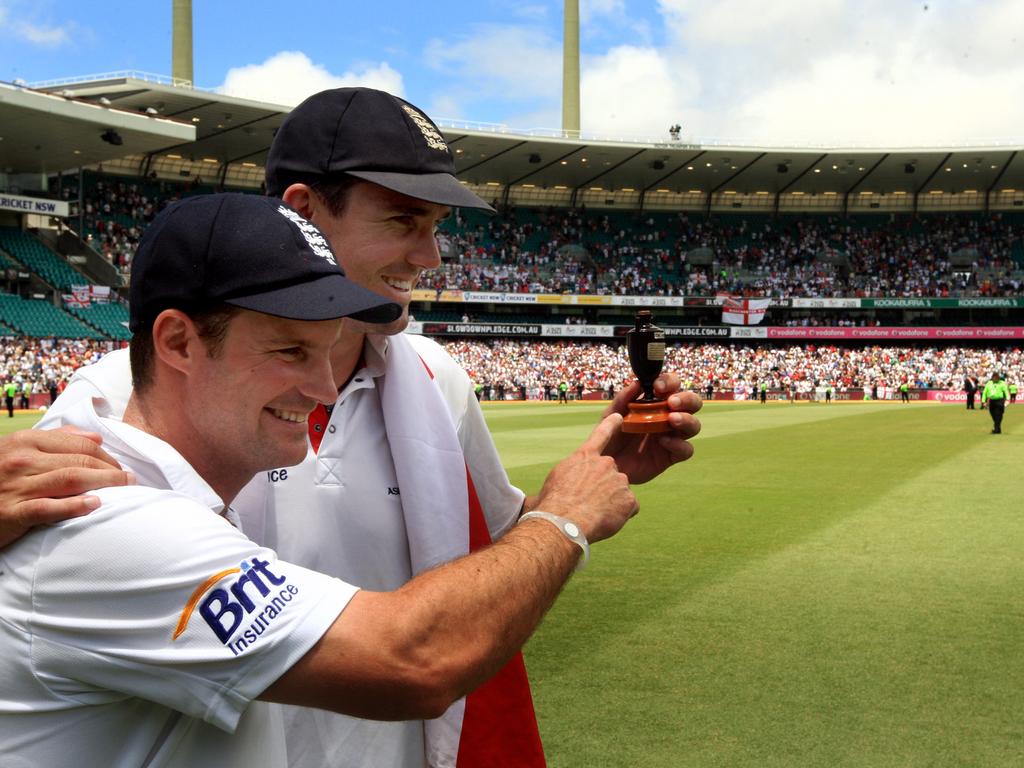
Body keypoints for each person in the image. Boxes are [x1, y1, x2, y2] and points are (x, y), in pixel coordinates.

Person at [0, 88, 702, 768]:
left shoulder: (435, 378)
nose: (428, 257)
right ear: (303, 209)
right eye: (402, 221)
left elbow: (496, 543)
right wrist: (566, 521)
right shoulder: (110, 401)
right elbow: (54, 574)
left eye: (434, 227)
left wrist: (591, 474)